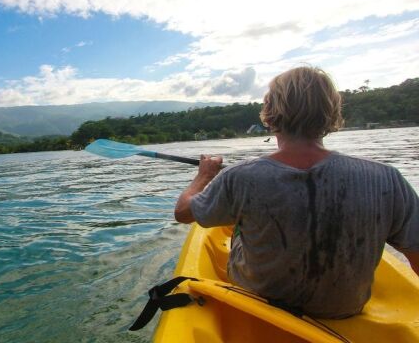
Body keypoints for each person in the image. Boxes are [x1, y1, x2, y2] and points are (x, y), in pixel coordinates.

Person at [174, 66, 419, 319]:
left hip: (260, 307)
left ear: (269, 115)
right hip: (343, 311)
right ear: (332, 113)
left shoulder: (239, 176)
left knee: (237, 226)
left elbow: (182, 212)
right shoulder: (387, 178)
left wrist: (204, 175)